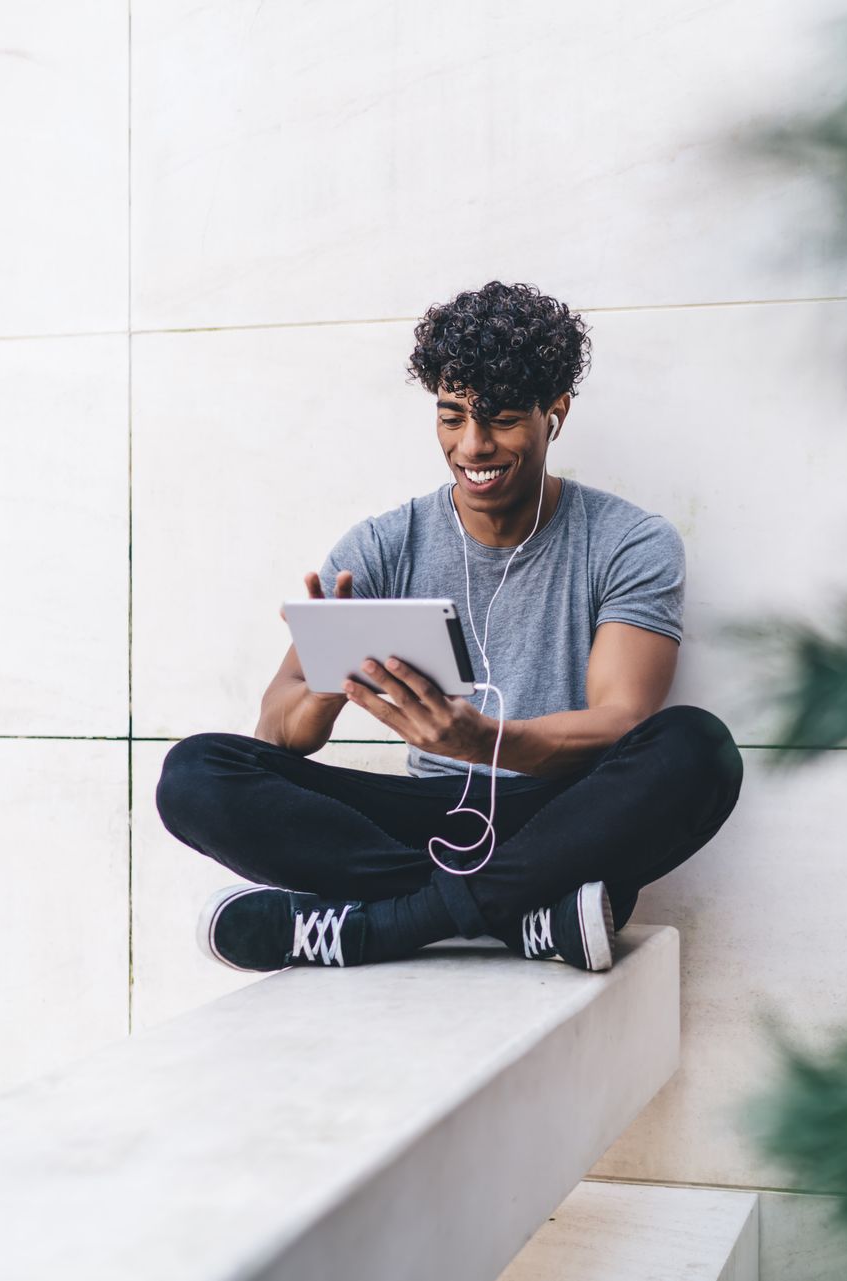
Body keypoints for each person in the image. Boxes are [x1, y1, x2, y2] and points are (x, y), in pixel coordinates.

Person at [154, 281, 743, 973]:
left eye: (499, 419)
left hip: (551, 814)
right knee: (195, 773)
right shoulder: (382, 544)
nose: (473, 445)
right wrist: (329, 677)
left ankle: (380, 928)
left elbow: (621, 718)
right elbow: (281, 735)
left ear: (556, 413)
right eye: (453, 416)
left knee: (697, 749)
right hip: (419, 820)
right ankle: (521, 917)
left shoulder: (629, 540)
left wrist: (489, 741)